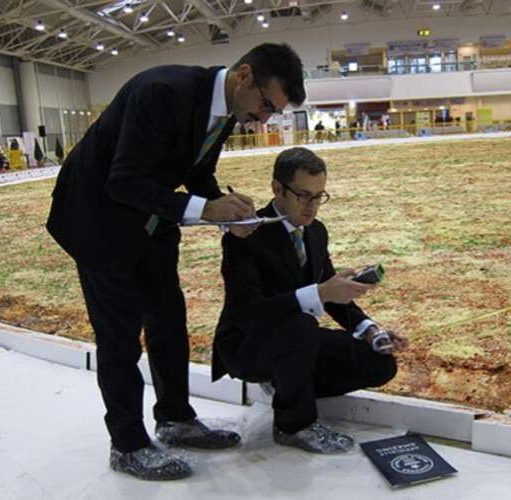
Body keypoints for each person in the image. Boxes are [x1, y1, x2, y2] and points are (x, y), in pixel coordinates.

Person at [46, 43, 306, 481]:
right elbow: (123, 180)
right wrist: (205, 210)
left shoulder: (227, 109)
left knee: (168, 321)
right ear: (244, 76)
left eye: (271, 114)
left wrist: (225, 209)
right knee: (120, 337)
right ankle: (127, 444)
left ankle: (175, 419)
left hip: (152, 220)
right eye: (265, 107)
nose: (263, 120)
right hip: (98, 220)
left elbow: (196, 172)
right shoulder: (162, 91)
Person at [212, 147, 408, 454]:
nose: (312, 206)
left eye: (319, 196)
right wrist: (320, 293)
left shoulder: (316, 232)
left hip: (295, 342)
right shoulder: (246, 235)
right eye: (304, 195)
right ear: (277, 188)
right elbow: (249, 313)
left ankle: (289, 385)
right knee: (301, 324)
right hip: (247, 345)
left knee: (378, 364)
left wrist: (370, 330)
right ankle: (293, 425)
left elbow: (332, 293)